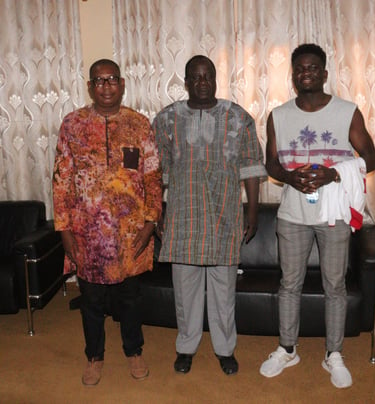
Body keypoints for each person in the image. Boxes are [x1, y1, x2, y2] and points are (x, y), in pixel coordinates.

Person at [260, 44, 375, 388]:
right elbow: (271, 163)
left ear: (324, 74)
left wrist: (335, 174)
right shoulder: (278, 116)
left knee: (335, 285)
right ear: (293, 75)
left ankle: (334, 354)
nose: (305, 73)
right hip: (292, 215)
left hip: (334, 214)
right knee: (289, 284)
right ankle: (287, 349)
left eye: (312, 68)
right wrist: (288, 177)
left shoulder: (347, 111)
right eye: (299, 69)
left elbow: (371, 159)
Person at [153, 55, 267, 375]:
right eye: (196, 77)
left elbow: (251, 168)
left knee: (223, 291)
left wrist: (253, 213)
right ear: (186, 82)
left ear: (216, 80)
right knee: (185, 290)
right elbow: (154, 172)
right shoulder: (167, 119)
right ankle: (186, 346)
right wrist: (155, 212)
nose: (203, 82)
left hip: (224, 215)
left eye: (208, 76)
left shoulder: (238, 117)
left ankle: (224, 349)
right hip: (182, 216)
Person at [52, 59, 162, 386]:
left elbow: (154, 178)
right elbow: (61, 181)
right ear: (90, 87)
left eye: (112, 79)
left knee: (130, 298)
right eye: (99, 81)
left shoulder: (139, 124)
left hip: (130, 233)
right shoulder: (72, 124)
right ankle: (94, 356)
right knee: (91, 301)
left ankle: (134, 350)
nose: (106, 86)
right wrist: (64, 231)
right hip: (87, 234)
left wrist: (150, 223)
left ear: (122, 83)